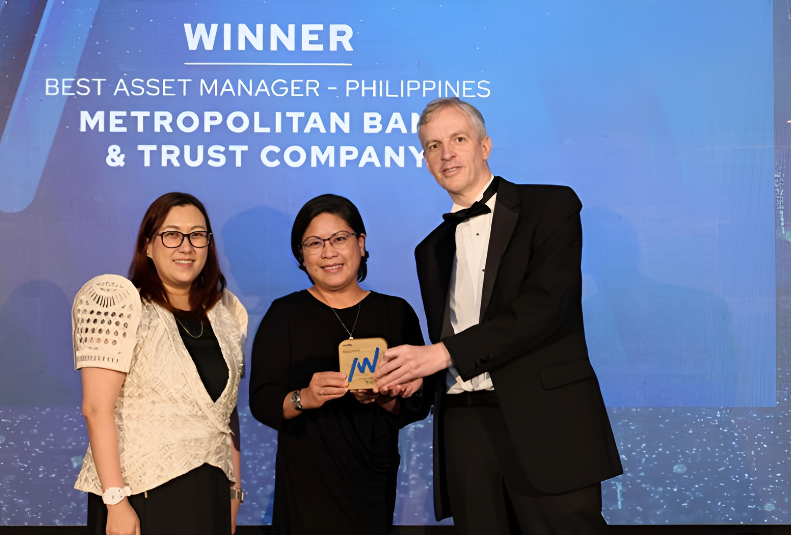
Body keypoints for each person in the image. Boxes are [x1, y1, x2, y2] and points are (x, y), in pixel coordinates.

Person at [374, 98, 623, 535]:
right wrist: (421, 375)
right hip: (464, 423)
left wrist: (442, 353)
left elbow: (545, 308)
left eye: (458, 139)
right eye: (433, 146)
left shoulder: (552, 207)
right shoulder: (430, 250)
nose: (446, 154)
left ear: (484, 145)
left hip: (546, 419)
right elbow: (453, 340)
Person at [249, 194, 432, 535]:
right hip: (307, 478)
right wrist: (306, 396)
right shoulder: (284, 314)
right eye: (314, 243)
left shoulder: (396, 312)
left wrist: (388, 396)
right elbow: (262, 402)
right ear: (301, 256)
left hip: (373, 474)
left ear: (360, 244)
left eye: (339, 239)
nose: (328, 252)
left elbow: (420, 402)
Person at [73, 192, 248, 535]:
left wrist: (233, 494)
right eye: (172, 235)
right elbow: (96, 408)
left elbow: (226, 414)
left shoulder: (227, 312)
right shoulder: (118, 304)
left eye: (198, 235)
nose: (186, 246)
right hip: (140, 495)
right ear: (148, 246)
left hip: (208, 494)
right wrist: (116, 502)